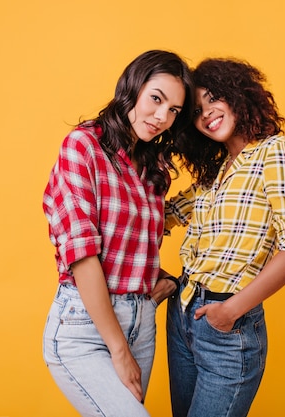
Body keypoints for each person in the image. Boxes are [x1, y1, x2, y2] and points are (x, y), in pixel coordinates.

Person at [41, 50, 194, 417]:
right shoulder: (83, 146)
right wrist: (119, 350)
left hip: (141, 325)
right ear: (133, 86)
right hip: (85, 328)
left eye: (174, 110)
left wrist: (160, 284)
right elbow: (84, 255)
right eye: (156, 99)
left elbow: (135, 245)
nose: (162, 117)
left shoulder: (155, 165)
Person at [163, 57, 285, 417]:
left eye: (213, 97)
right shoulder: (213, 173)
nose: (207, 113)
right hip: (183, 317)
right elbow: (161, 216)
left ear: (237, 95)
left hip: (227, 326)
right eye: (196, 110)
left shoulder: (272, 152)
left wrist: (230, 311)